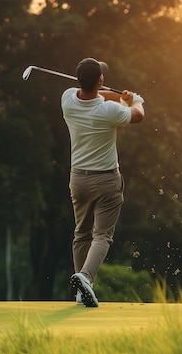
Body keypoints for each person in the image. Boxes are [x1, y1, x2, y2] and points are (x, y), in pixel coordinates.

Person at [61, 57, 145, 307]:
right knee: (103, 236)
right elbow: (137, 115)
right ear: (100, 79)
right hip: (106, 180)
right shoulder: (110, 111)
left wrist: (113, 96)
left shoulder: (67, 99)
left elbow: (95, 95)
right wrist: (135, 100)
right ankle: (85, 277)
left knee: (81, 234)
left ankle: (81, 292)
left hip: (78, 180)